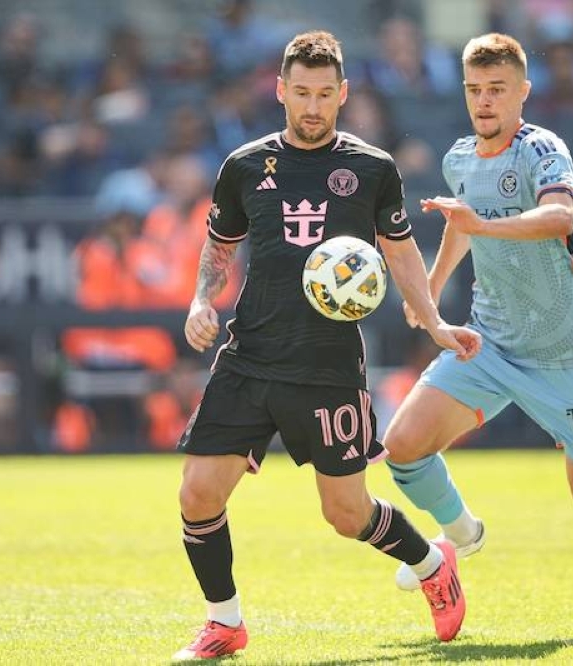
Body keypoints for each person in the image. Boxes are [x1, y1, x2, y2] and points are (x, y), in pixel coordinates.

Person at [171, 31, 482, 661]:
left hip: (327, 366)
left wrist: (435, 322)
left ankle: (430, 563)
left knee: (345, 513)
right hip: (251, 354)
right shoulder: (243, 166)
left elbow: (400, 252)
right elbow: (221, 243)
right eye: (301, 93)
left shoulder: (372, 169)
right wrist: (202, 300)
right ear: (281, 91)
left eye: (324, 95)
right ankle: (225, 623)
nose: (313, 107)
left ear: (342, 94)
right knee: (198, 494)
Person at [381, 33, 573, 637]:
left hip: (564, 353)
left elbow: (561, 218)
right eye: (474, 89)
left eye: (496, 89)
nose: (484, 100)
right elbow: (462, 227)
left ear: (522, 92)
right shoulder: (458, 158)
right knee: (403, 446)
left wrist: (483, 223)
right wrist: (427, 293)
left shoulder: (542, 150)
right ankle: (462, 534)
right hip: (490, 341)